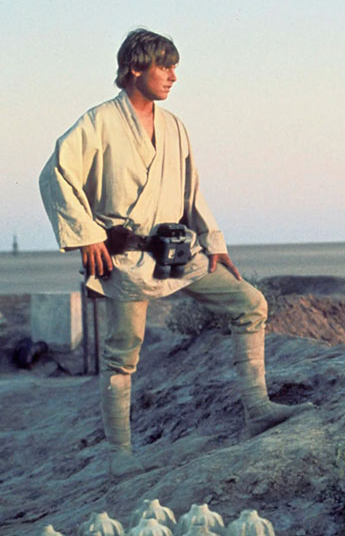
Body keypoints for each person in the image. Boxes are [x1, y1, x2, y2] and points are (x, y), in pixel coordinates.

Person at [39, 28, 313, 478]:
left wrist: (215, 243)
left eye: (174, 67)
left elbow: (193, 192)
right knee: (122, 355)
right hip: (125, 259)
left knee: (251, 304)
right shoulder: (99, 122)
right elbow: (56, 175)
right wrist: (87, 236)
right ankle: (120, 456)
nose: (173, 76)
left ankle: (258, 410)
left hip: (178, 253)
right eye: (165, 66)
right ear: (135, 68)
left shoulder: (174, 127)